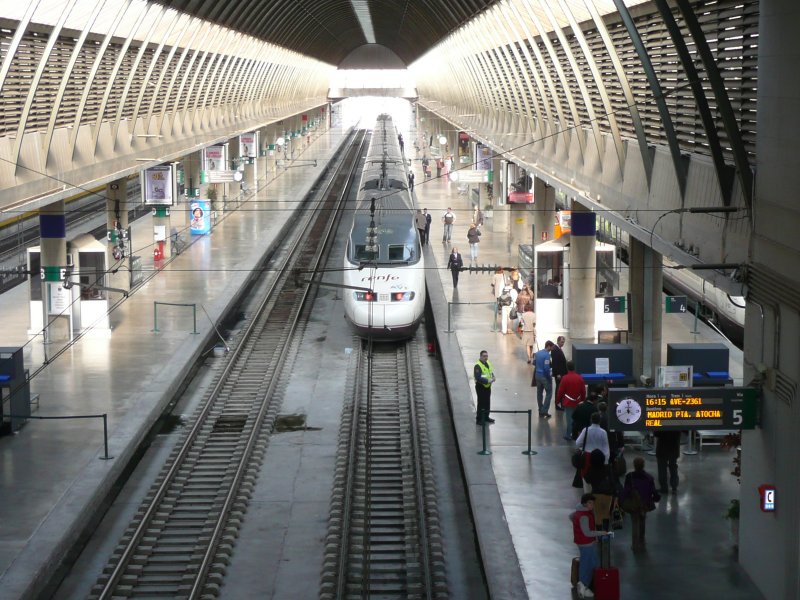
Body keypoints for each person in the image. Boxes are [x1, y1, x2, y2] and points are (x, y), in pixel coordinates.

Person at [569, 493, 609, 598]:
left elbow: (571, 516)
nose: (592, 505)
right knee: (587, 563)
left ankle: (584, 584)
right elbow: (587, 533)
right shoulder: (584, 516)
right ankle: (583, 585)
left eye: (593, 503)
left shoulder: (579, 512)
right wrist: (601, 533)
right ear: (584, 504)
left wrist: (577, 525)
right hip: (586, 542)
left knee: (592, 562)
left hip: (582, 541)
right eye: (590, 503)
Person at [621, 457, 660, 551]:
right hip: (645, 504)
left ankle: (635, 544)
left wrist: (622, 501)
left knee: (634, 523)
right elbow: (653, 492)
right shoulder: (649, 478)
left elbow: (626, 491)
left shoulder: (629, 477)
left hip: (633, 504)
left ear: (634, 465)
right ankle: (642, 541)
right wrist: (656, 498)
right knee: (642, 521)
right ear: (643, 465)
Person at [583, 448, 616, 529]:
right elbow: (613, 481)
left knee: (598, 515)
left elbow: (587, 480)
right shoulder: (608, 468)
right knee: (606, 514)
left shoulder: (591, 469)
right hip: (608, 494)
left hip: (596, 494)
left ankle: (599, 534)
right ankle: (606, 533)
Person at [557, 361, 586, 441]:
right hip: (578, 401)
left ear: (567, 368)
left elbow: (560, 391)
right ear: (574, 367)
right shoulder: (580, 378)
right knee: (578, 419)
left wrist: (558, 401)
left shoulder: (565, 378)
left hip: (568, 402)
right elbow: (583, 391)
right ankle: (578, 435)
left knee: (569, 419)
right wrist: (583, 400)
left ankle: (569, 435)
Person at [474, 350, 496, 425]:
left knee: (487, 402)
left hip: (487, 387)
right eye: (484, 356)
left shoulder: (488, 363)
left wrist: (493, 376)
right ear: (480, 356)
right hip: (480, 387)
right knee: (481, 403)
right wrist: (487, 381)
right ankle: (479, 419)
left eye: (486, 356)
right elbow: (478, 378)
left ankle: (486, 417)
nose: (486, 357)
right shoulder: (477, 366)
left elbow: (490, 371)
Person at [533, 340, 554, 417]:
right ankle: (544, 410)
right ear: (548, 346)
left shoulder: (537, 353)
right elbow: (546, 368)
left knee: (539, 393)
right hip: (544, 376)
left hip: (537, 375)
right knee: (549, 393)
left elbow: (534, 363)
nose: (552, 349)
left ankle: (540, 409)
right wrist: (549, 377)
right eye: (551, 347)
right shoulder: (547, 355)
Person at [551, 335, 568, 410]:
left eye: (563, 342)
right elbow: (555, 363)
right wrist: (557, 374)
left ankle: (560, 402)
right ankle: (558, 404)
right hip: (559, 374)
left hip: (561, 373)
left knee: (560, 388)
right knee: (559, 389)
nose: (562, 344)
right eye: (561, 342)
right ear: (558, 341)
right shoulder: (555, 350)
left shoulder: (558, 349)